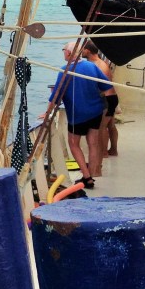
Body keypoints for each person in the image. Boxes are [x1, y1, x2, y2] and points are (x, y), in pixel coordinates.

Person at [44, 41, 110, 189]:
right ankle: (91, 176)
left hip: (78, 115)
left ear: (68, 53)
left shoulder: (65, 70)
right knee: (92, 144)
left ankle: (86, 177)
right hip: (95, 112)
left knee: (74, 144)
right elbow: (106, 86)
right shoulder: (91, 66)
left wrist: (47, 113)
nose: (63, 53)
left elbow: (55, 97)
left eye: (63, 51)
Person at [81, 39, 119, 165]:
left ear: (87, 51)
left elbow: (101, 87)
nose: (81, 51)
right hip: (112, 98)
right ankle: (113, 150)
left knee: (102, 127)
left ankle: (103, 153)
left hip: (106, 99)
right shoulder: (100, 63)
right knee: (110, 125)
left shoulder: (98, 65)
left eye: (82, 49)